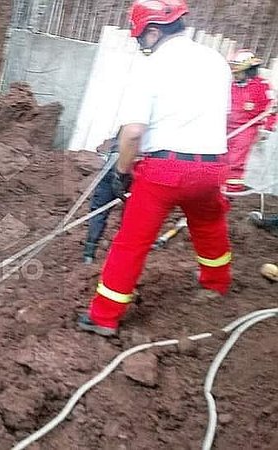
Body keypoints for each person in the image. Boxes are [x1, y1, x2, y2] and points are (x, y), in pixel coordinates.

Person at [78, 0, 233, 337]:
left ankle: (104, 317)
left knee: (131, 241)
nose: (141, 46)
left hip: (164, 170)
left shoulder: (151, 68)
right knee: (209, 224)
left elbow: (133, 132)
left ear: (151, 31)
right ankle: (217, 282)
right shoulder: (217, 62)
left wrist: (122, 171)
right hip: (210, 168)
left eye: (139, 38)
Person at [226, 49, 276, 191]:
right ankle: (215, 186)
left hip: (247, 129)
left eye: (238, 72)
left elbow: (271, 109)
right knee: (219, 157)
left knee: (235, 160)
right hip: (227, 126)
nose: (235, 75)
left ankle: (231, 190)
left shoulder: (262, 86)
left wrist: (267, 128)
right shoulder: (230, 85)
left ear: (249, 71)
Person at [83, 134, 120, 264]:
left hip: (115, 161)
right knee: (132, 216)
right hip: (135, 165)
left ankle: (88, 254)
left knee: (98, 211)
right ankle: (119, 258)